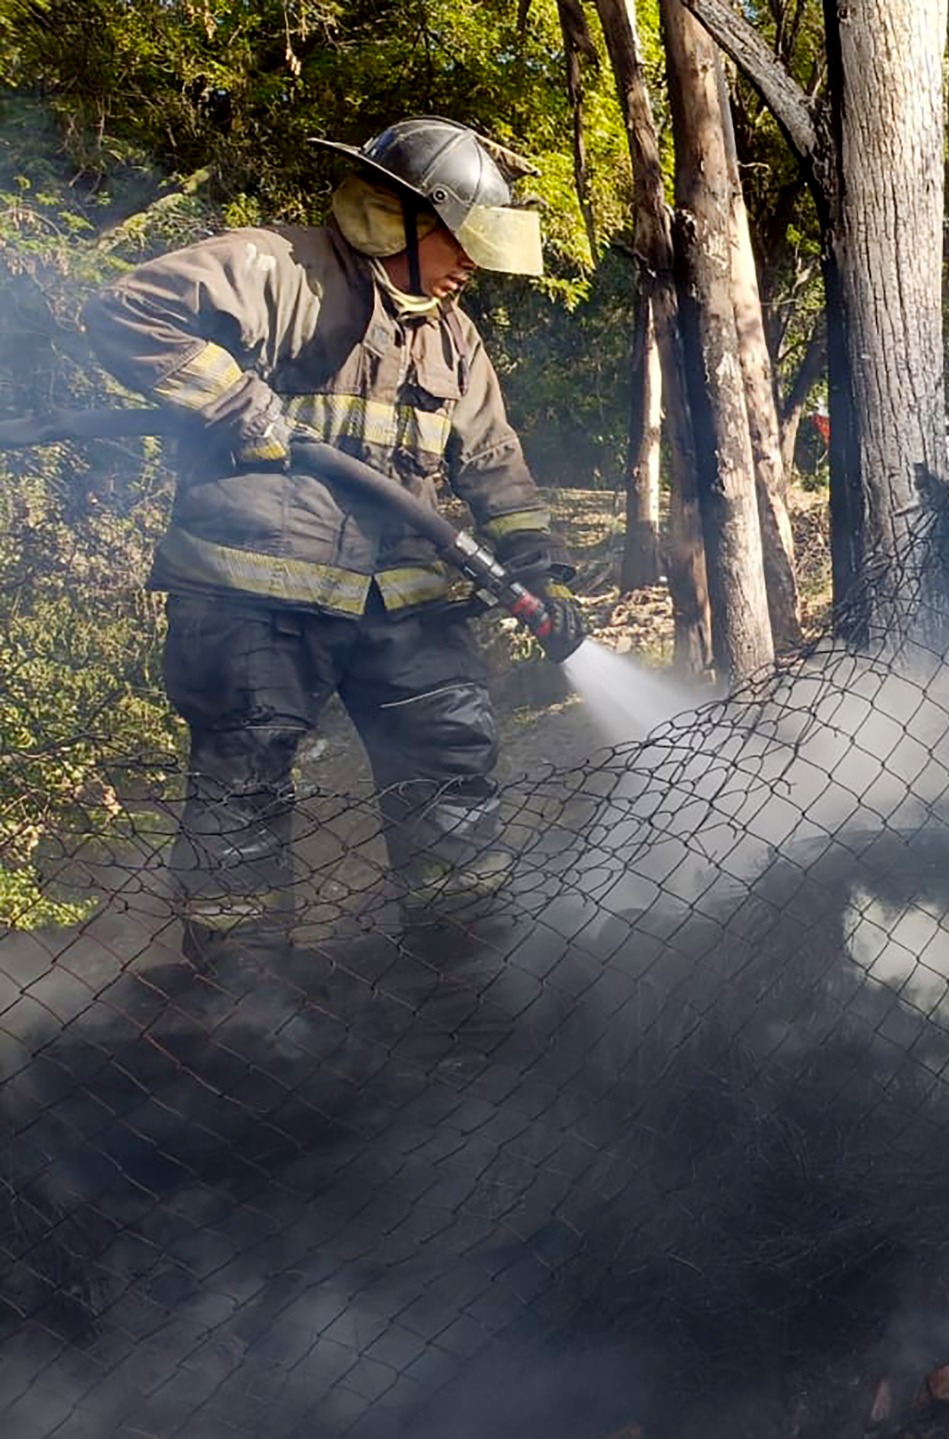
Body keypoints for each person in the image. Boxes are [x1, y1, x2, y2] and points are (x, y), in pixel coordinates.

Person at [85, 116, 585, 983]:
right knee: (245, 783)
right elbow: (125, 310)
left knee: (450, 760)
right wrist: (233, 400)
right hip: (259, 595)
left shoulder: (453, 335)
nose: (472, 265)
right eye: (460, 240)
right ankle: (240, 1001)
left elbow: (495, 461)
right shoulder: (281, 270)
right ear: (399, 219)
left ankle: (461, 971)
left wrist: (543, 572)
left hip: (402, 598)